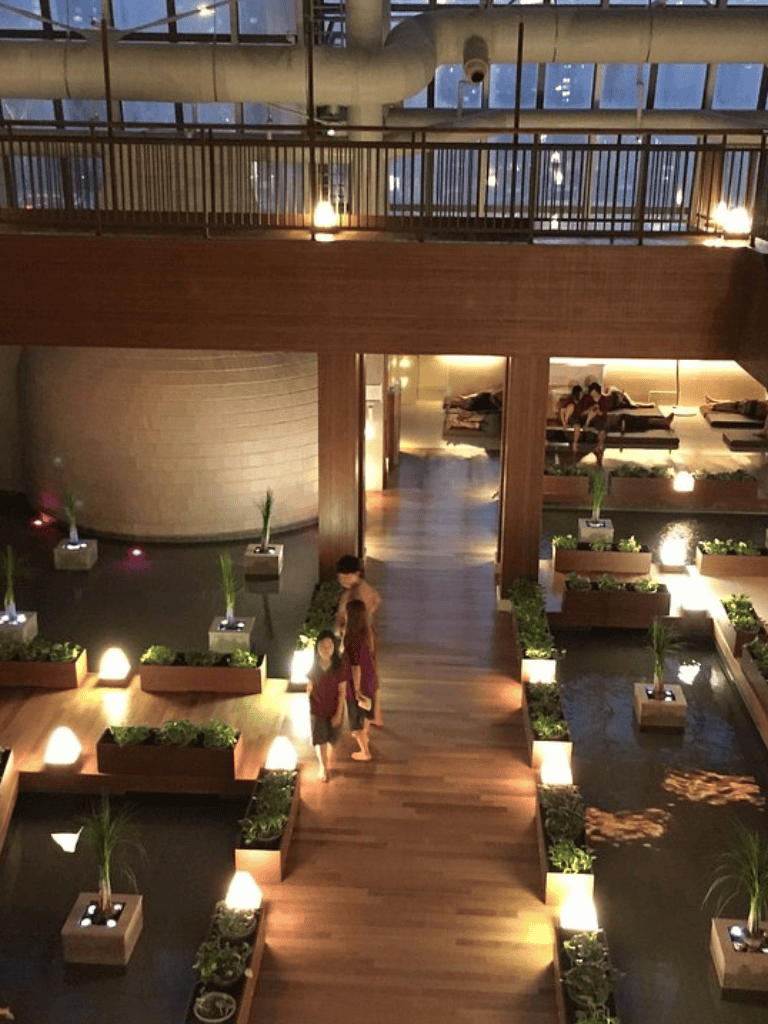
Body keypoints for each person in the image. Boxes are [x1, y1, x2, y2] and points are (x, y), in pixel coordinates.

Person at [306, 631, 347, 782]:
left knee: (332, 739)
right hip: (317, 711)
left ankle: (325, 759)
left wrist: (339, 713)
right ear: (317, 647)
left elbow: (342, 691)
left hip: (334, 709)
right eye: (322, 645)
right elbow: (310, 685)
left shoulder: (339, 666)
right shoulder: (314, 666)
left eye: (329, 645)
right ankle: (324, 766)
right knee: (321, 739)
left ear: (334, 648)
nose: (325, 648)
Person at [342, 599, 378, 762]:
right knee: (366, 714)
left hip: (358, 685)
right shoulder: (370, 633)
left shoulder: (353, 639)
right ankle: (367, 739)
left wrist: (356, 691)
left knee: (356, 724)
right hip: (370, 681)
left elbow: (356, 667)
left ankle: (365, 752)